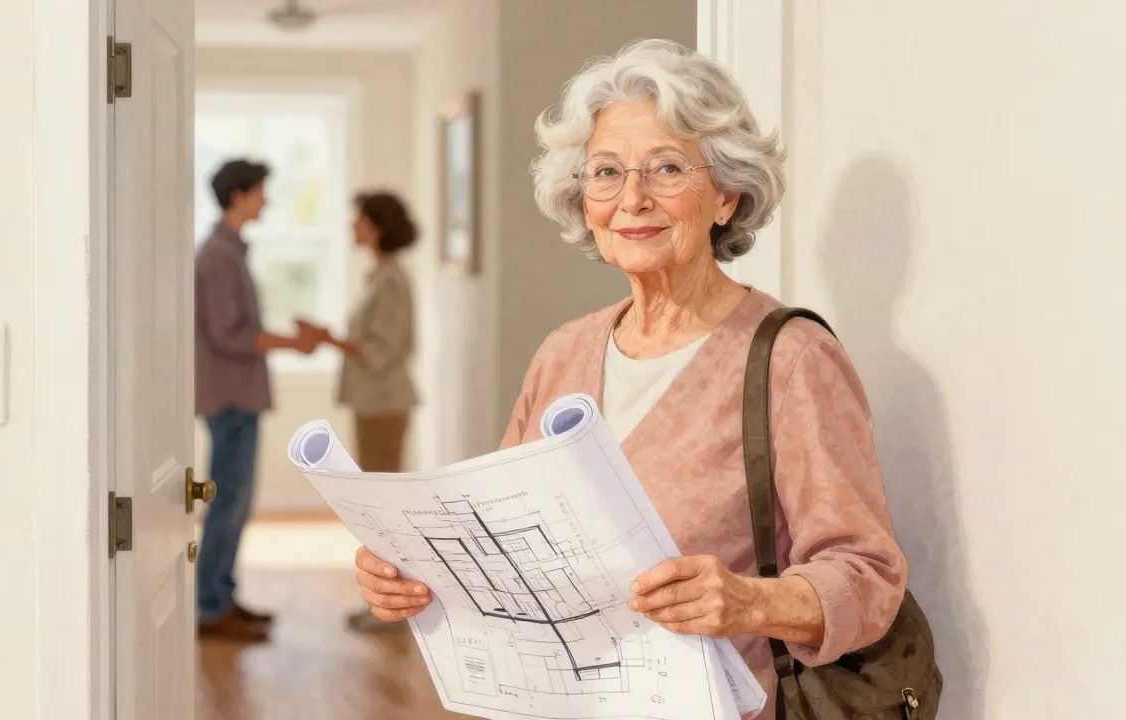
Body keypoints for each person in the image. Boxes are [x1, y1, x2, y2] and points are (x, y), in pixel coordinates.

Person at [348, 39, 909, 717]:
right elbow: (495, 545)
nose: (633, 198)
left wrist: (748, 601)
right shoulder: (563, 353)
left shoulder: (791, 359)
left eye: (667, 167)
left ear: (726, 195)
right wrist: (411, 576)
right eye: (607, 172)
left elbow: (868, 577)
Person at [195, 158, 323, 641]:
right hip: (230, 397)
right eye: (261, 191)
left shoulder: (227, 252)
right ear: (240, 195)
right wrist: (294, 343)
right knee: (228, 502)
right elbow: (229, 335)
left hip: (236, 394)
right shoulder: (218, 256)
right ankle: (210, 606)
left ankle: (222, 597)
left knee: (236, 501)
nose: (267, 200)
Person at [298, 191, 420, 633]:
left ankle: (395, 607)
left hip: (385, 402)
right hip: (375, 403)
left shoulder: (391, 280)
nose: (353, 227)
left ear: (377, 227)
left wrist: (328, 339)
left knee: (383, 508)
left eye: (360, 221)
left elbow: (382, 350)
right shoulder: (381, 276)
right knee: (379, 504)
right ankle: (389, 605)